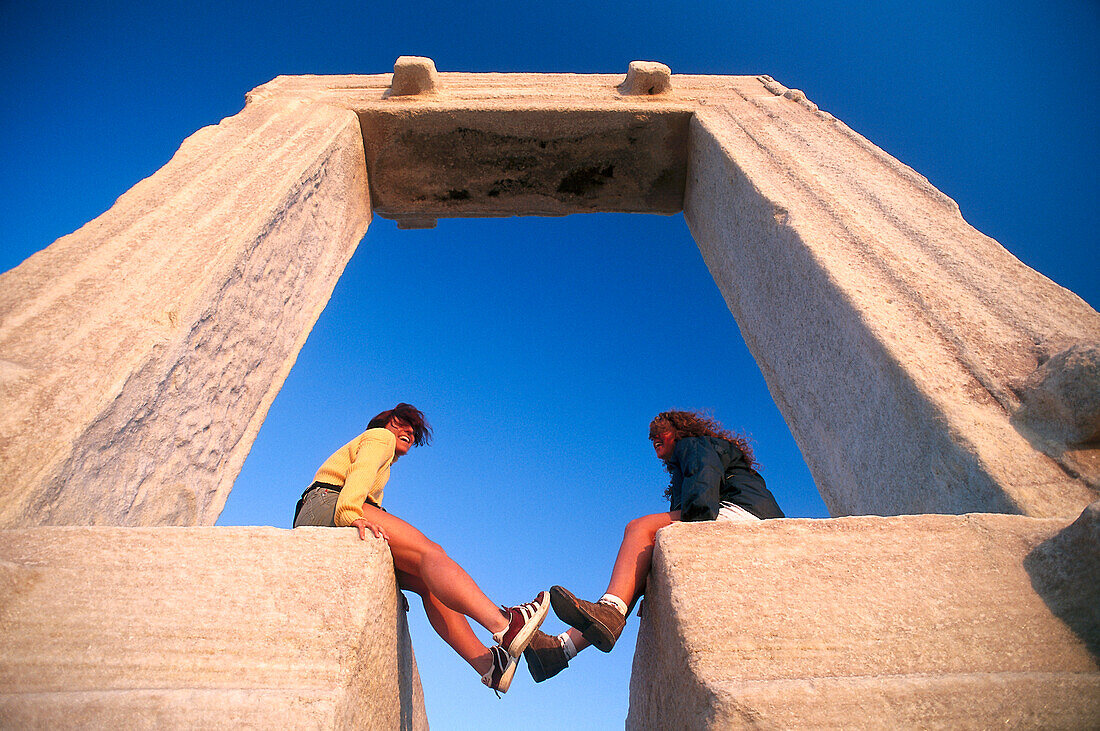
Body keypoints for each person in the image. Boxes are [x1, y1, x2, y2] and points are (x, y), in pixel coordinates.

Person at [293, 403, 548, 695]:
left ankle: (490, 666)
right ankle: (505, 624)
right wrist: (351, 513)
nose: (408, 432)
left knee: (429, 584)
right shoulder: (379, 438)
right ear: (385, 423)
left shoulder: (384, 463)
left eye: (413, 431)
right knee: (430, 553)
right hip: (331, 502)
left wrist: (387, 580)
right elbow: (358, 480)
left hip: (321, 511)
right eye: (401, 423)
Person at [523, 409, 784, 682]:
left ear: (681, 431)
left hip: (746, 513)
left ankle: (609, 611)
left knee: (639, 528)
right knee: (638, 568)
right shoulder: (684, 469)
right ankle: (559, 651)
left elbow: (703, 487)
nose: (655, 437)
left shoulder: (695, 445)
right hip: (731, 513)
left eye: (663, 430)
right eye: (652, 436)